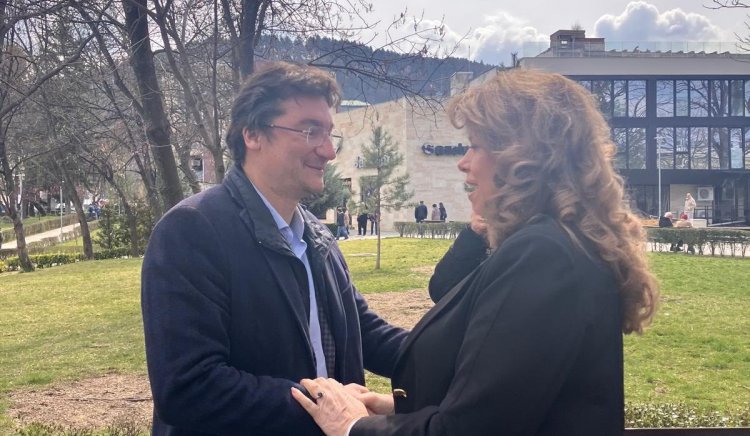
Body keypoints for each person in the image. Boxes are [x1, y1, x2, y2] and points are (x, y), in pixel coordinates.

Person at [292, 69, 659, 435]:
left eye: (475, 146)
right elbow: (508, 403)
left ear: (521, 159)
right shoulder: (559, 245)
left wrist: (352, 425)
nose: (463, 162)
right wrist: (395, 409)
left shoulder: (544, 255)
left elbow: (470, 429)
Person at [141, 61, 407, 436]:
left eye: (329, 134)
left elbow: (365, 332)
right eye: (310, 131)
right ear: (253, 134)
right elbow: (188, 387)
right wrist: (322, 405)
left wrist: (458, 357)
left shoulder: (317, 237)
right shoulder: (192, 230)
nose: (328, 151)